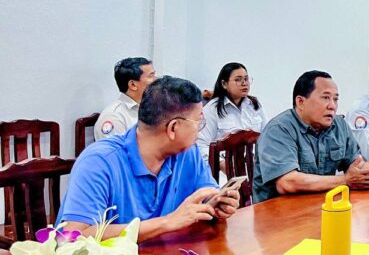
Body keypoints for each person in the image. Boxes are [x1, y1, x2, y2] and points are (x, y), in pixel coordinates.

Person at [58, 76, 239, 242]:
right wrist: (166, 222)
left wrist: (214, 205)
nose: (200, 130)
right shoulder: (99, 162)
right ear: (173, 128)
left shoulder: (187, 153)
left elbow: (205, 194)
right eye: (199, 122)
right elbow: (74, 236)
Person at [252, 70, 369, 203]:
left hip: (321, 203)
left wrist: (364, 172)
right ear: (300, 102)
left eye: (335, 99)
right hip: (277, 210)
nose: (332, 106)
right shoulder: (279, 129)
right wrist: (345, 180)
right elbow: (287, 183)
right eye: (325, 98)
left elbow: (355, 164)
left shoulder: (339, 125)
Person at [197, 62, 268, 160]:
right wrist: (221, 163)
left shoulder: (254, 104)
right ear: (224, 84)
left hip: (255, 164)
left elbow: (267, 136)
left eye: (246, 79)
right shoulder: (212, 109)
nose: (244, 83)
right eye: (238, 80)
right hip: (224, 166)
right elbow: (201, 145)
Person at [94, 57, 157, 140]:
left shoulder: (151, 106)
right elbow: (115, 148)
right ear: (133, 85)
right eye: (151, 76)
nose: (157, 80)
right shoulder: (114, 116)